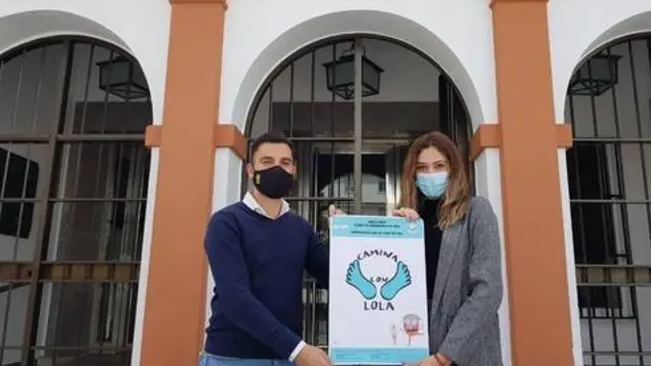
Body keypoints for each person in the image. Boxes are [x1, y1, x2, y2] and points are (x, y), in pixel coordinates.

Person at [330, 131, 503, 366]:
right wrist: (346, 230)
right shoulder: (406, 222)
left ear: (453, 169)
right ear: (413, 174)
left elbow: (488, 291)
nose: (431, 174)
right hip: (414, 348)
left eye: (439, 165)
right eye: (422, 168)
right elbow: (375, 261)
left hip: (465, 354)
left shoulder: (477, 211)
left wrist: (444, 356)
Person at [202, 133, 332, 366]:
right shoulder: (226, 223)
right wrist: (297, 350)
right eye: (267, 162)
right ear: (250, 170)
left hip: (286, 358)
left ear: (294, 170)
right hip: (233, 358)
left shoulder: (301, 228)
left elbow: (337, 278)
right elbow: (235, 299)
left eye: (285, 162)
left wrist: (348, 234)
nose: (277, 169)